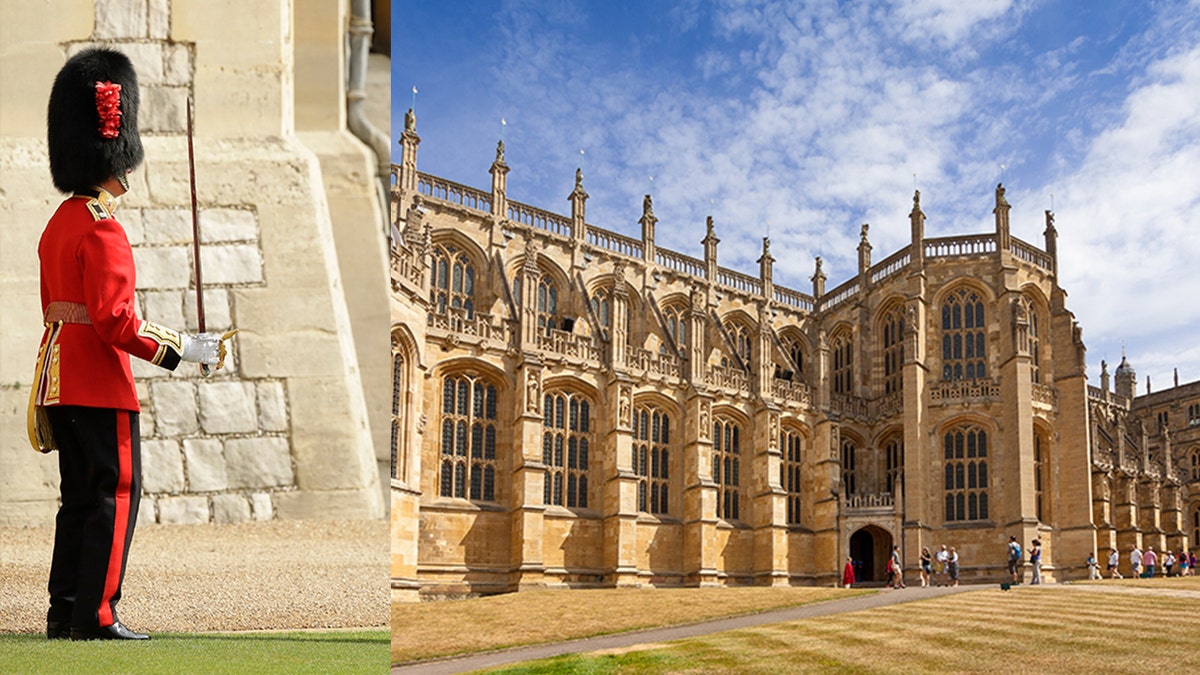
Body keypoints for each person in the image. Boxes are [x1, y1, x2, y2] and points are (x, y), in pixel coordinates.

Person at [33, 48, 233, 641]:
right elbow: (117, 322)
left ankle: (64, 610)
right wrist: (187, 349)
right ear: (114, 157)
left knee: (77, 500)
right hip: (97, 379)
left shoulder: (59, 222)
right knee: (115, 494)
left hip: (57, 378)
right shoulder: (102, 226)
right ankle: (95, 616)